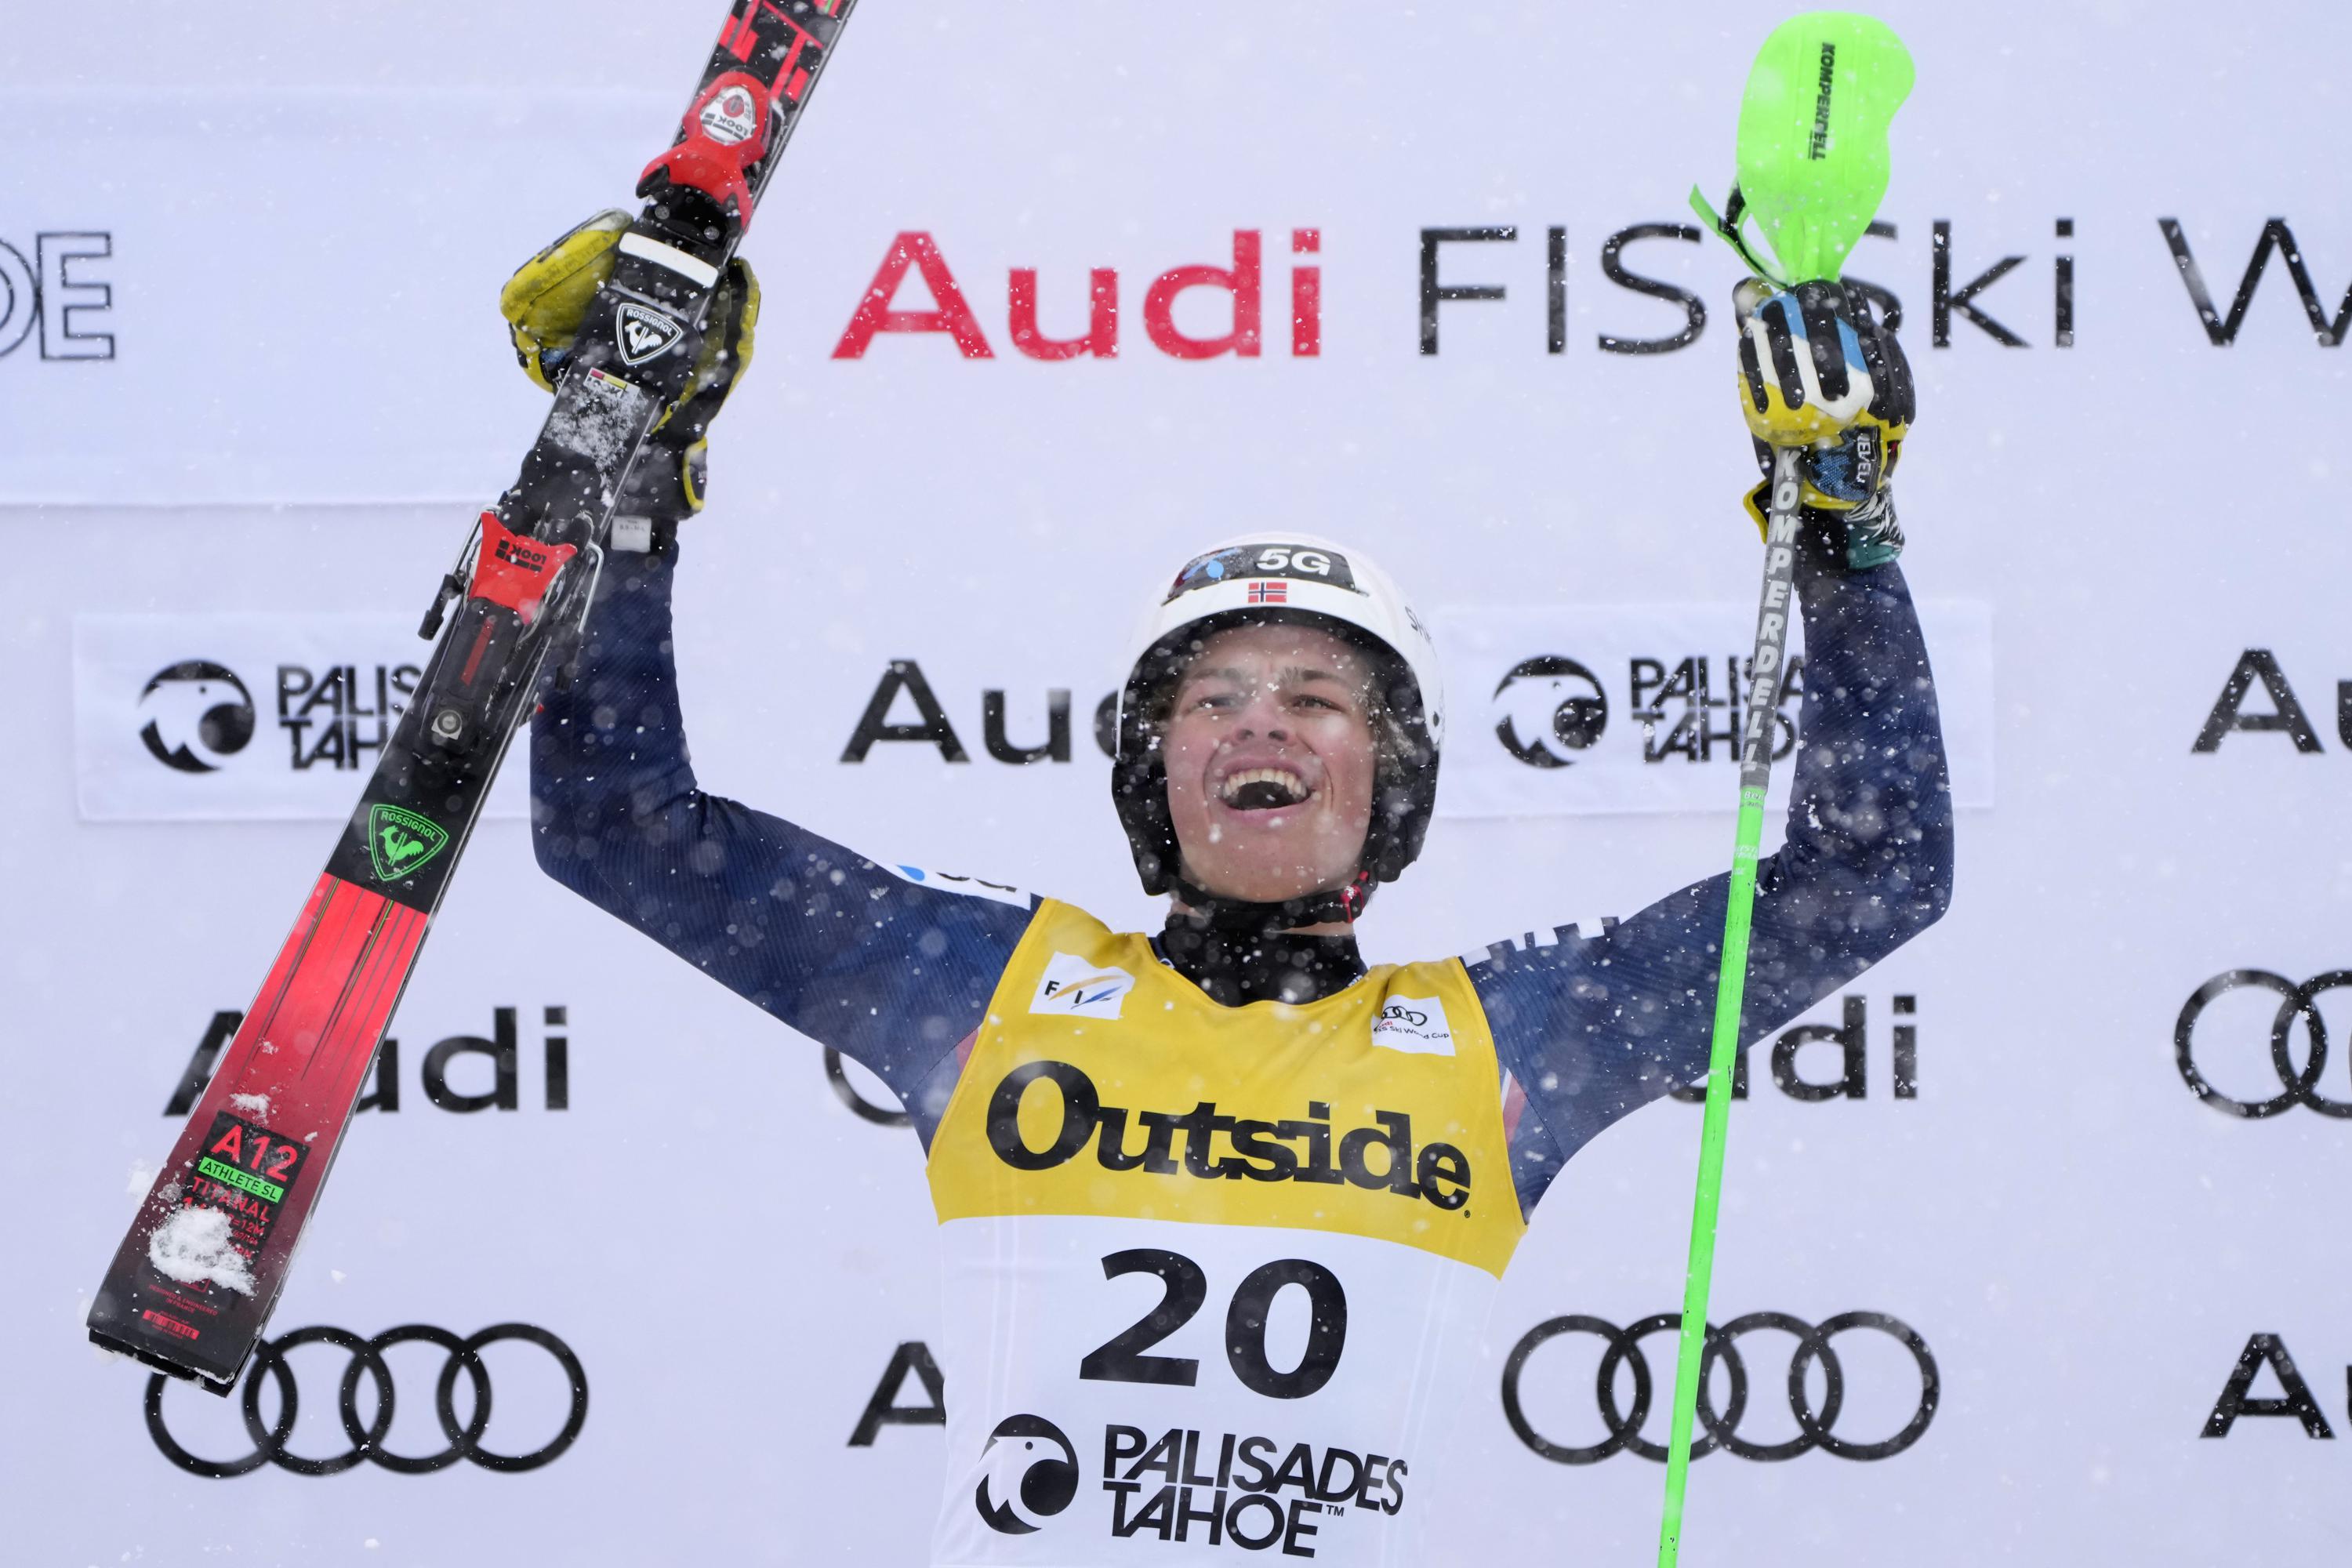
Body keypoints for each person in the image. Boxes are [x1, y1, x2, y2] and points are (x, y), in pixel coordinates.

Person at [511, 214, 1952, 1564]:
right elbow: (620, 830)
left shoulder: (1509, 1042)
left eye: (1315, 696)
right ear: (1156, 773)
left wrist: (1845, 531)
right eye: (1214, 699)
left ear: (1391, 776)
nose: (1262, 723)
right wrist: (632, 491)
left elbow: (1875, 871)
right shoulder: (987, 986)